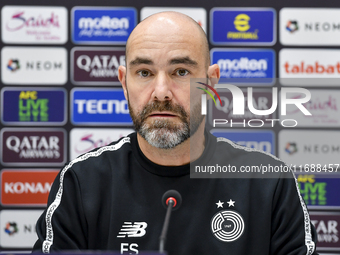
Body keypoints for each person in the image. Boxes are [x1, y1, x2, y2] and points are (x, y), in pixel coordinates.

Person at [33, 12, 318, 254]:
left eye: (181, 72)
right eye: (144, 72)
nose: (161, 93)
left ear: (211, 82)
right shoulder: (81, 183)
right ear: (124, 82)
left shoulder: (268, 182)